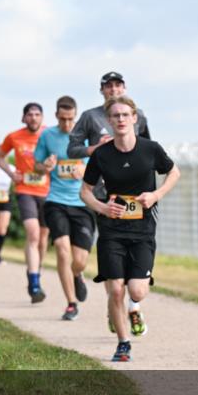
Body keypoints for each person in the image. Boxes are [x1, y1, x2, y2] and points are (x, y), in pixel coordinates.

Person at [81, 96, 180, 362]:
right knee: (115, 289)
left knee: (136, 290)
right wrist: (103, 208)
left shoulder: (150, 149)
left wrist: (155, 195)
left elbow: (174, 173)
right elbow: (85, 191)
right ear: (109, 121)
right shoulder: (102, 154)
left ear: (134, 118)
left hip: (143, 230)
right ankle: (123, 344)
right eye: (116, 116)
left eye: (126, 115)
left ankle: (133, 307)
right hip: (111, 229)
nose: (121, 120)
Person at [69, 71, 152, 328]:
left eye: (118, 85)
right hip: (104, 196)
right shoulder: (91, 117)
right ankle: (114, 304)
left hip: (134, 197)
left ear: (124, 87)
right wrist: (95, 149)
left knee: (137, 252)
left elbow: (147, 151)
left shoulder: (138, 115)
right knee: (111, 252)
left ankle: (134, 306)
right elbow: (72, 148)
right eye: (109, 86)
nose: (114, 89)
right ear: (102, 90)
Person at [34, 95, 95, 320]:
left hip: (82, 202)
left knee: (79, 261)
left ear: (75, 116)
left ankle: (77, 275)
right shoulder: (47, 135)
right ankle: (71, 303)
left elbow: (97, 165)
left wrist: (85, 171)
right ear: (56, 116)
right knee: (61, 248)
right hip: (56, 201)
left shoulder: (85, 136)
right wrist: (45, 166)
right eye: (63, 119)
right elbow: (37, 165)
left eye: (70, 119)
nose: (67, 124)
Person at [0, 102, 50, 302]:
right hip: (25, 190)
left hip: (47, 191)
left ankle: (36, 271)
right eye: (30, 114)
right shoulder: (14, 136)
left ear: (42, 118)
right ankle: (34, 282)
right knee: (33, 233)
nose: (33, 118)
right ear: (24, 117)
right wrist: (11, 173)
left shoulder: (49, 135)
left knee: (43, 237)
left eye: (37, 114)